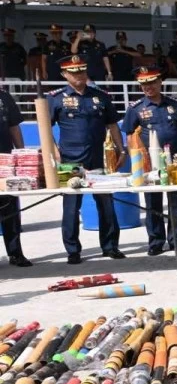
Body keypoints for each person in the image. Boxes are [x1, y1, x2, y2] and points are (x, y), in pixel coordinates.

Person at [48, 55, 125, 263]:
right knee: (72, 208)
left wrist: (121, 149)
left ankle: (110, 246)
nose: (79, 75)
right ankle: (73, 251)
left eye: (81, 70)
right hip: (70, 161)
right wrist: (54, 151)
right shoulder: (56, 98)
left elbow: (113, 125)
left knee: (106, 204)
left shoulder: (100, 96)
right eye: (73, 72)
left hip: (98, 159)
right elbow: (45, 127)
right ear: (64, 75)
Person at [121, 66, 177, 255]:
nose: (148, 87)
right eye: (144, 84)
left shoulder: (176, 104)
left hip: (175, 161)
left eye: (152, 82)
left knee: (176, 203)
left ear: (160, 81)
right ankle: (156, 242)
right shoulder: (136, 108)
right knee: (153, 202)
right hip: (149, 163)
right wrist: (135, 161)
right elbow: (129, 135)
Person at [0, 86, 30, 267]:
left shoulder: (4, 97)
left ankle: (15, 253)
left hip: (5, 163)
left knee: (9, 209)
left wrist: (21, 155)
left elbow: (14, 127)